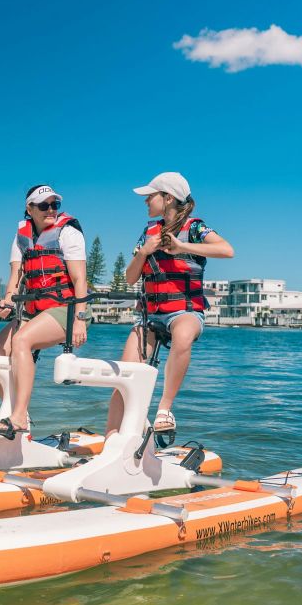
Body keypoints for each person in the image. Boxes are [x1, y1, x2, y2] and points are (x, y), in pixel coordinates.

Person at [106, 172, 233, 435]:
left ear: (167, 198)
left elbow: (226, 250)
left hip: (185, 311)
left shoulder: (196, 229)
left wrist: (182, 247)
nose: (145, 202)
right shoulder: (147, 233)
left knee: (183, 336)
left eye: (150, 196)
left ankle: (164, 408)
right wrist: (143, 252)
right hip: (149, 315)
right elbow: (130, 279)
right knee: (124, 375)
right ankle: (111, 440)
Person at [0, 184, 89, 438]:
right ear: (29, 209)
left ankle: (18, 417)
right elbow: (15, 278)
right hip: (33, 312)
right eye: (44, 206)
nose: (51, 210)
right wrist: (7, 301)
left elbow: (80, 281)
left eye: (55, 204)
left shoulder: (68, 233)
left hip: (65, 309)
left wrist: (80, 320)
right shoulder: (22, 236)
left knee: (22, 340)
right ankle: (19, 413)